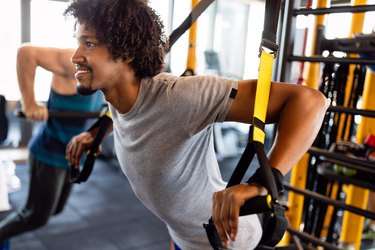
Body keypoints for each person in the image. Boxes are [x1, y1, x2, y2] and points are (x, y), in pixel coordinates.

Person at [63, 0, 329, 249]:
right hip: (184, 237)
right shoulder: (117, 94)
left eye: (89, 44)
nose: (75, 56)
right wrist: (96, 133)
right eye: (78, 43)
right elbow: (137, 114)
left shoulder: (179, 96)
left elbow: (310, 101)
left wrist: (262, 182)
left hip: (228, 241)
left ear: (128, 52)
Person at [0, 45, 104, 246]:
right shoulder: (74, 61)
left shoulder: (109, 68)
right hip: (48, 153)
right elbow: (26, 53)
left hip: (73, 154)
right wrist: (29, 102)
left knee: (56, 209)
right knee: (36, 217)